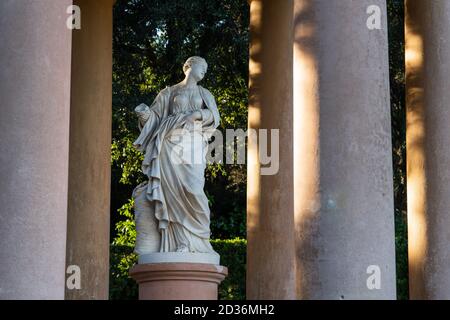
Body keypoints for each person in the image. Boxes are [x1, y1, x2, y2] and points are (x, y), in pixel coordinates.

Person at [133, 56, 220, 255]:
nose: (205, 70)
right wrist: (145, 114)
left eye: (206, 68)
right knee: (173, 193)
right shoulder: (169, 92)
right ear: (188, 66)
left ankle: (199, 242)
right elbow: (154, 118)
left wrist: (197, 115)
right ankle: (181, 243)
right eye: (202, 66)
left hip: (194, 144)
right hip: (168, 142)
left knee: (194, 189)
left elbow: (215, 116)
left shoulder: (205, 93)